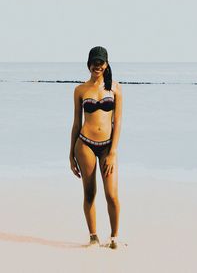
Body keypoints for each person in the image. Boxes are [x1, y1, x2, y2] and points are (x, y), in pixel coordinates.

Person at [69, 46, 122, 249]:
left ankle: (114, 238)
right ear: (88, 64)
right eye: (93, 62)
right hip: (84, 145)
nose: (97, 66)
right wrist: (70, 154)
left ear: (106, 64)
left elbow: (118, 122)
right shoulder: (80, 90)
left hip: (108, 147)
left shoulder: (115, 88)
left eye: (100, 62)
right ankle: (93, 237)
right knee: (90, 193)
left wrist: (113, 152)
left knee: (112, 195)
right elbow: (75, 123)